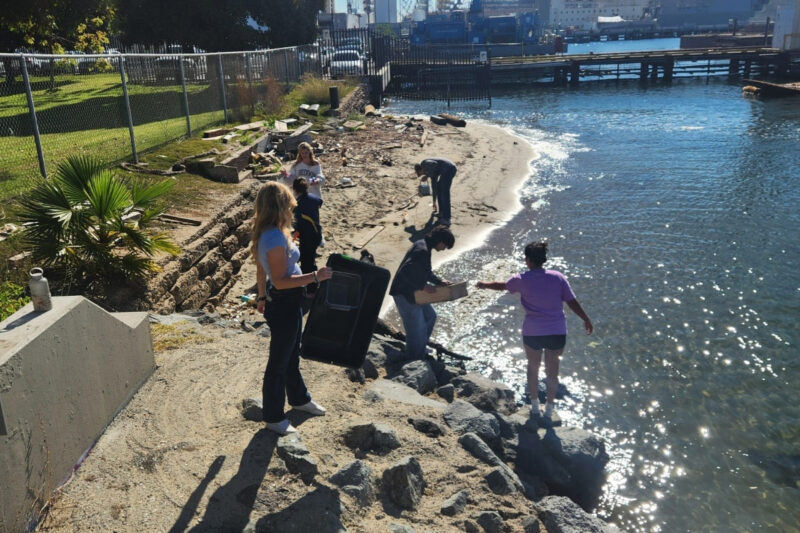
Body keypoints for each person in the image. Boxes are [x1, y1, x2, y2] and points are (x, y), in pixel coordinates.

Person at [476, 241, 592, 424]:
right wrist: (586, 319)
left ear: (528, 260)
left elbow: (502, 286)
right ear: (543, 259)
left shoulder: (520, 279)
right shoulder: (558, 277)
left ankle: (535, 407)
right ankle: (549, 410)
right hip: (556, 332)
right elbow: (572, 302)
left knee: (533, 367)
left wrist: (483, 284)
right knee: (552, 372)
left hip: (533, 332)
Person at [251, 181, 333, 436]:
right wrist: (315, 277)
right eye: (289, 206)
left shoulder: (272, 231)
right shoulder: (273, 238)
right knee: (278, 361)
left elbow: (261, 270)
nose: (292, 211)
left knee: (291, 355)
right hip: (285, 301)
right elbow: (282, 281)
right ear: (280, 207)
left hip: (286, 301)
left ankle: (299, 399)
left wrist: (261, 298)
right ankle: (274, 417)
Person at [389, 225, 455, 360]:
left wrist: (439, 281)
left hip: (414, 293)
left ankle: (420, 347)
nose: (444, 249)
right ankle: (414, 358)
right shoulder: (422, 250)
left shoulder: (423, 245)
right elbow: (404, 273)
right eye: (445, 246)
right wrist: (423, 286)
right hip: (403, 294)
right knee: (416, 329)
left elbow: (424, 272)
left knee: (430, 316)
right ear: (441, 241)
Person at [291, 177, 323, 276]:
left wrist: (292, 238)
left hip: (307, 237)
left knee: (306, 264)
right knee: (310, 258)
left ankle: (311, 287)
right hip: (317, 234)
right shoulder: (314, 198)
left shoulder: (297, 205)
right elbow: (320, 202)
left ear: (294, 189)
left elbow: (297, 226)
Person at [414, 158, 457, 226]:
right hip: (445, 172)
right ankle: (442, 212)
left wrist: (427, 175)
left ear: (421, 169)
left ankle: (447, 218)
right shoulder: (430, 172)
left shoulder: (425, 163)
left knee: (445, 194)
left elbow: (434, 164)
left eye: (421, 173)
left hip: (450, 169)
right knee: (439, 189)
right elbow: (434, 188)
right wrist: (434, 202)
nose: (422, 174)